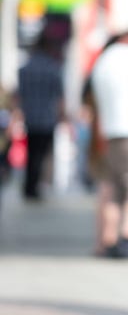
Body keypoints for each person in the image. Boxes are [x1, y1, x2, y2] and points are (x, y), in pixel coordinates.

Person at [90, 29, 128, 258]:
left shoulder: (104, 60)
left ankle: (107, 239)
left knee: (112, 188)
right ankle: (127, 237)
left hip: (110, 132)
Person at [17, 14, 69, 200]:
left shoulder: (25, 68)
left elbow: (19, 95)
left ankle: (29, 186)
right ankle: (36, 186)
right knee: (43, 154)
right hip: (47, 117)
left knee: (32, 153)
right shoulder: (53, 68)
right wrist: (63, 116)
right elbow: (59, 95)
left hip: (31, 116)